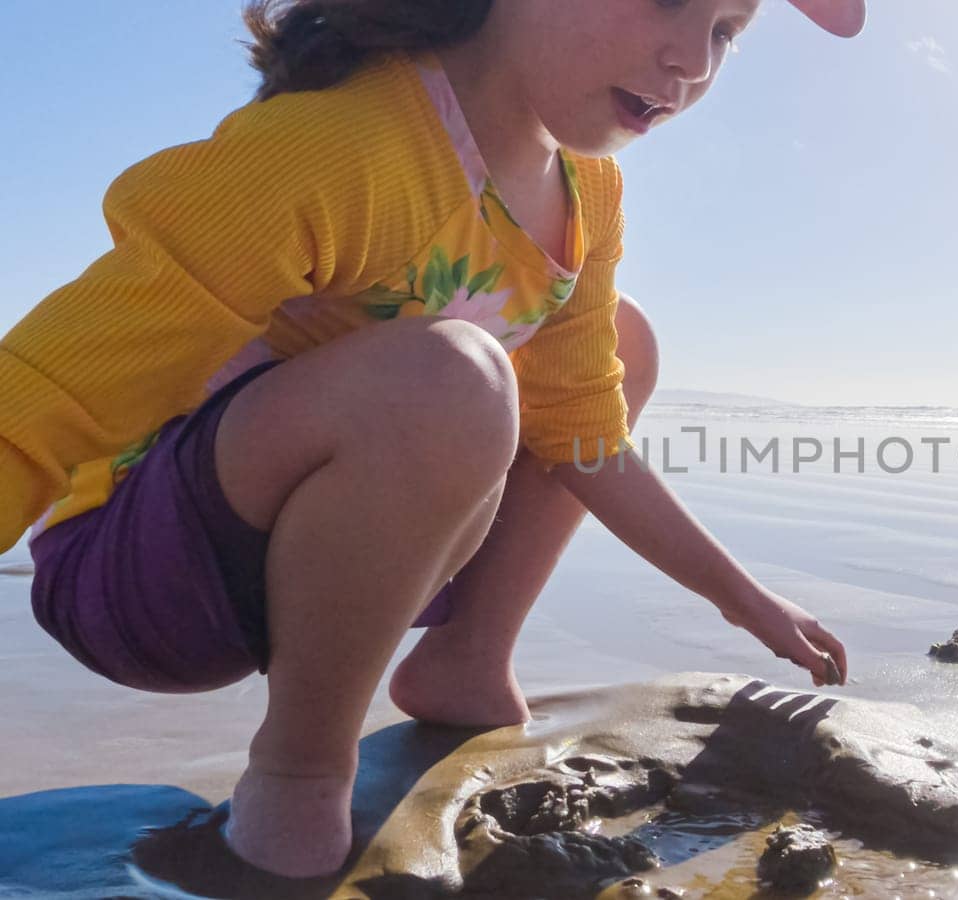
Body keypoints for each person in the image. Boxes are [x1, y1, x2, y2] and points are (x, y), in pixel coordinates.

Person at [0, 0, 864, 878]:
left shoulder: (584, 195)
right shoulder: (343, 145)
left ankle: (468, 657)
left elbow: (584, 432)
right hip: (140, 577)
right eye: (667, 1)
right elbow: (48, 390)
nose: (693, 61)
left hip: (342, 570)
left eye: (726, 29)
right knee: (452, 375)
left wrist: (744, 601)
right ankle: (300, 768)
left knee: (616, 342)